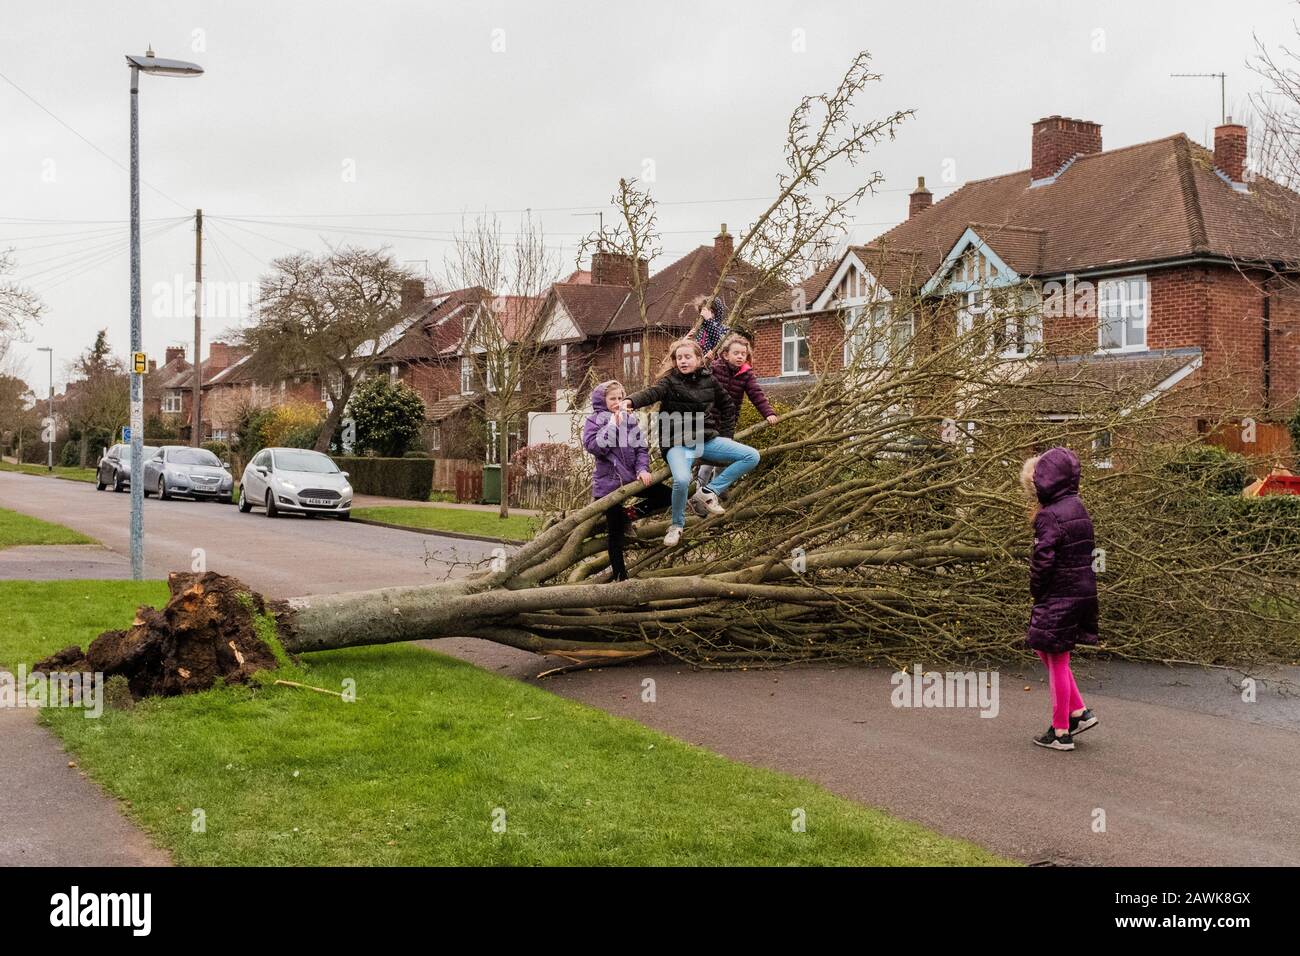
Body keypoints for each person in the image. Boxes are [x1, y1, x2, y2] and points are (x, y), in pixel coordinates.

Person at [624, 338, 759, 548]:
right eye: (679, 358)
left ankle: (707, 493)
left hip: (705, 439)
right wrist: (631, 401)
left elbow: (728, 407)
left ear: (698, 359)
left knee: (751, 456)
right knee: (682, 480)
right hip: (678, 443)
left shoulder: (710, 380)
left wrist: (726, 436)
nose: (683, 361)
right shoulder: (669, 382)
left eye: (687, 357)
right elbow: (651, 393)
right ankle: (676, 525)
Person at [1021, 447, 1100, 752]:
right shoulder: (1078, 507)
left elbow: (1043, 560)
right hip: (1081, 590)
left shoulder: (1048, 516)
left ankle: (1061, 731)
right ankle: (1078, 711)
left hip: (1058, 593)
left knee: (1056, 659)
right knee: (1047, 649)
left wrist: (1037, 589)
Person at [581, 380, 671, 580]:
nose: (617, 402)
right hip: (609, 485)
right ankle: (621, 577)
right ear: (602, 401)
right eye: (613, 398)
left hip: (632, 479)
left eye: (620, 398)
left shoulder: (631, 421)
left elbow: (640, 448)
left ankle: (627, 515)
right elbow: (597, 447)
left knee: (667, 495)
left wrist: (642, 469)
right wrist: (613, 424)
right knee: (616, 536)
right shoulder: (594, 421)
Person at [697, 332, 778, 489]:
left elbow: (756, 395)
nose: (740, 357)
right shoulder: (715, 367)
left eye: (743, 354)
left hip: (728, 422)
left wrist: (769, 413)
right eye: (736, 353)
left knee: (724, 459)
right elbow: (699, 380)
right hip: (709, 420)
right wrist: (704, 362)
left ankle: (714, 491)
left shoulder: (746, 374)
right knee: (707, 463)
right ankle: (699, 488)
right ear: (726, 355)